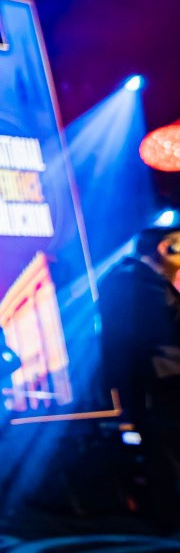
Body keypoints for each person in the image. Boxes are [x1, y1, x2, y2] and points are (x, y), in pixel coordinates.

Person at [101, 224, 180, 526]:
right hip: (161, 378)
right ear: (164, 248)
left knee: (160, 447)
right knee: (166, 447)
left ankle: (165, 514)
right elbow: (158, 330)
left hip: (149, 379)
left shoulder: (128, 278)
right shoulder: (139, 282)